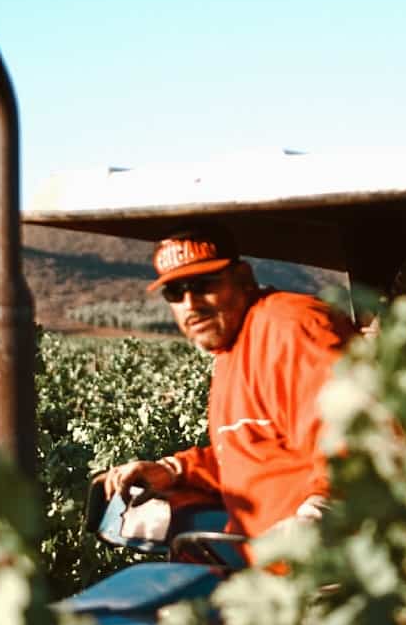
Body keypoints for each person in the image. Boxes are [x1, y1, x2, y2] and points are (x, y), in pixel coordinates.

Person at [102, 225, 355, 561]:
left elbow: (356, 444)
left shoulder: (291, 328)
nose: (190, 303)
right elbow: (247, 451)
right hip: (263, 568)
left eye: (204, 285)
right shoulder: (229, 349)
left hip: (323, 576)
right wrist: (174, 469)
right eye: (175, 292)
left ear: (243, 278)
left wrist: (319, 519)